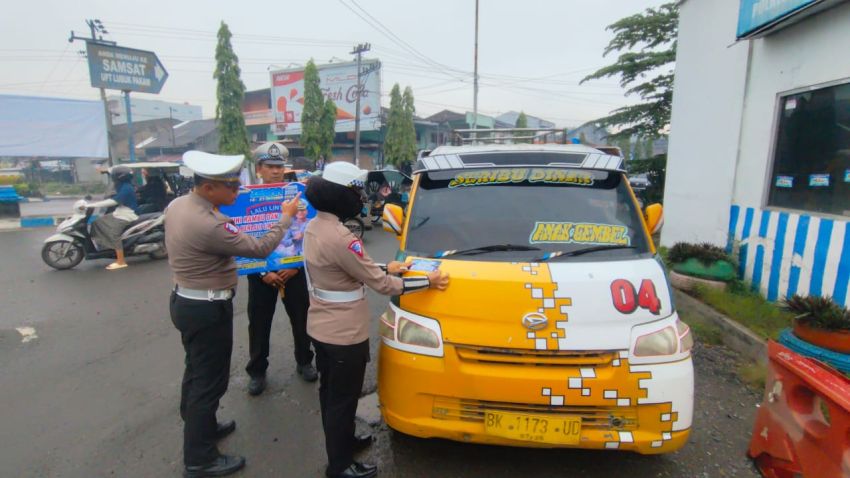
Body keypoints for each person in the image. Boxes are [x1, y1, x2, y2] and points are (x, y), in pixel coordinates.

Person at [303, 161, 449, 478]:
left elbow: (349, 268)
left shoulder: (316, 226)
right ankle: (339, 465)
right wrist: (429, 281)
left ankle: (341, 442)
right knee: (342, 399)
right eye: (355, 191)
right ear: (340, 196)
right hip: (344, 335)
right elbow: (382, 285)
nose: (360, 196)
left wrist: (385, 265)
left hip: (321, 327)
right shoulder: (342, 237)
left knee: (330, 394)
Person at [165, 150, 302, 478]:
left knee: (195, 371)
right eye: (231, 186)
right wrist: (285, 217)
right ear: (209, 187)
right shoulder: (212, 224)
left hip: (186, 300)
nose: (238, 192)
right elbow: (258, 249)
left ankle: (202, 426)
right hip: (206, 308)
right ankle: (199, 460)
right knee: (208, 384)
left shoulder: (178, 205)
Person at [245, 142, 318, 396]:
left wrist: (297, 267)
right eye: (270, 167)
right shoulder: (246, 199)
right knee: (259, 323)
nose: (276, 171)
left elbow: (307, 233)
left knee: (301, 319)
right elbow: (246, 240)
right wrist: (263, 272)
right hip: (260, 274)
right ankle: (257, 370)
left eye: (279, 166)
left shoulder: (299, 196)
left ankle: (304, 361)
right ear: (259, 169)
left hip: (293, 271)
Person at [89, 165, 139, 270]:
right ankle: (103, 245)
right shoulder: (122, 183)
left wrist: (92, 205)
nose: (112, 176)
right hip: (119, 212)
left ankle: (121, 261)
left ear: (118, 177)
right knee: (97, 222)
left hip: (126, 215)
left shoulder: (126, 188)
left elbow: (114, 201)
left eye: (113, 175)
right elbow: (113, 171)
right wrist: (104, 170)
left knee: (114, 235)